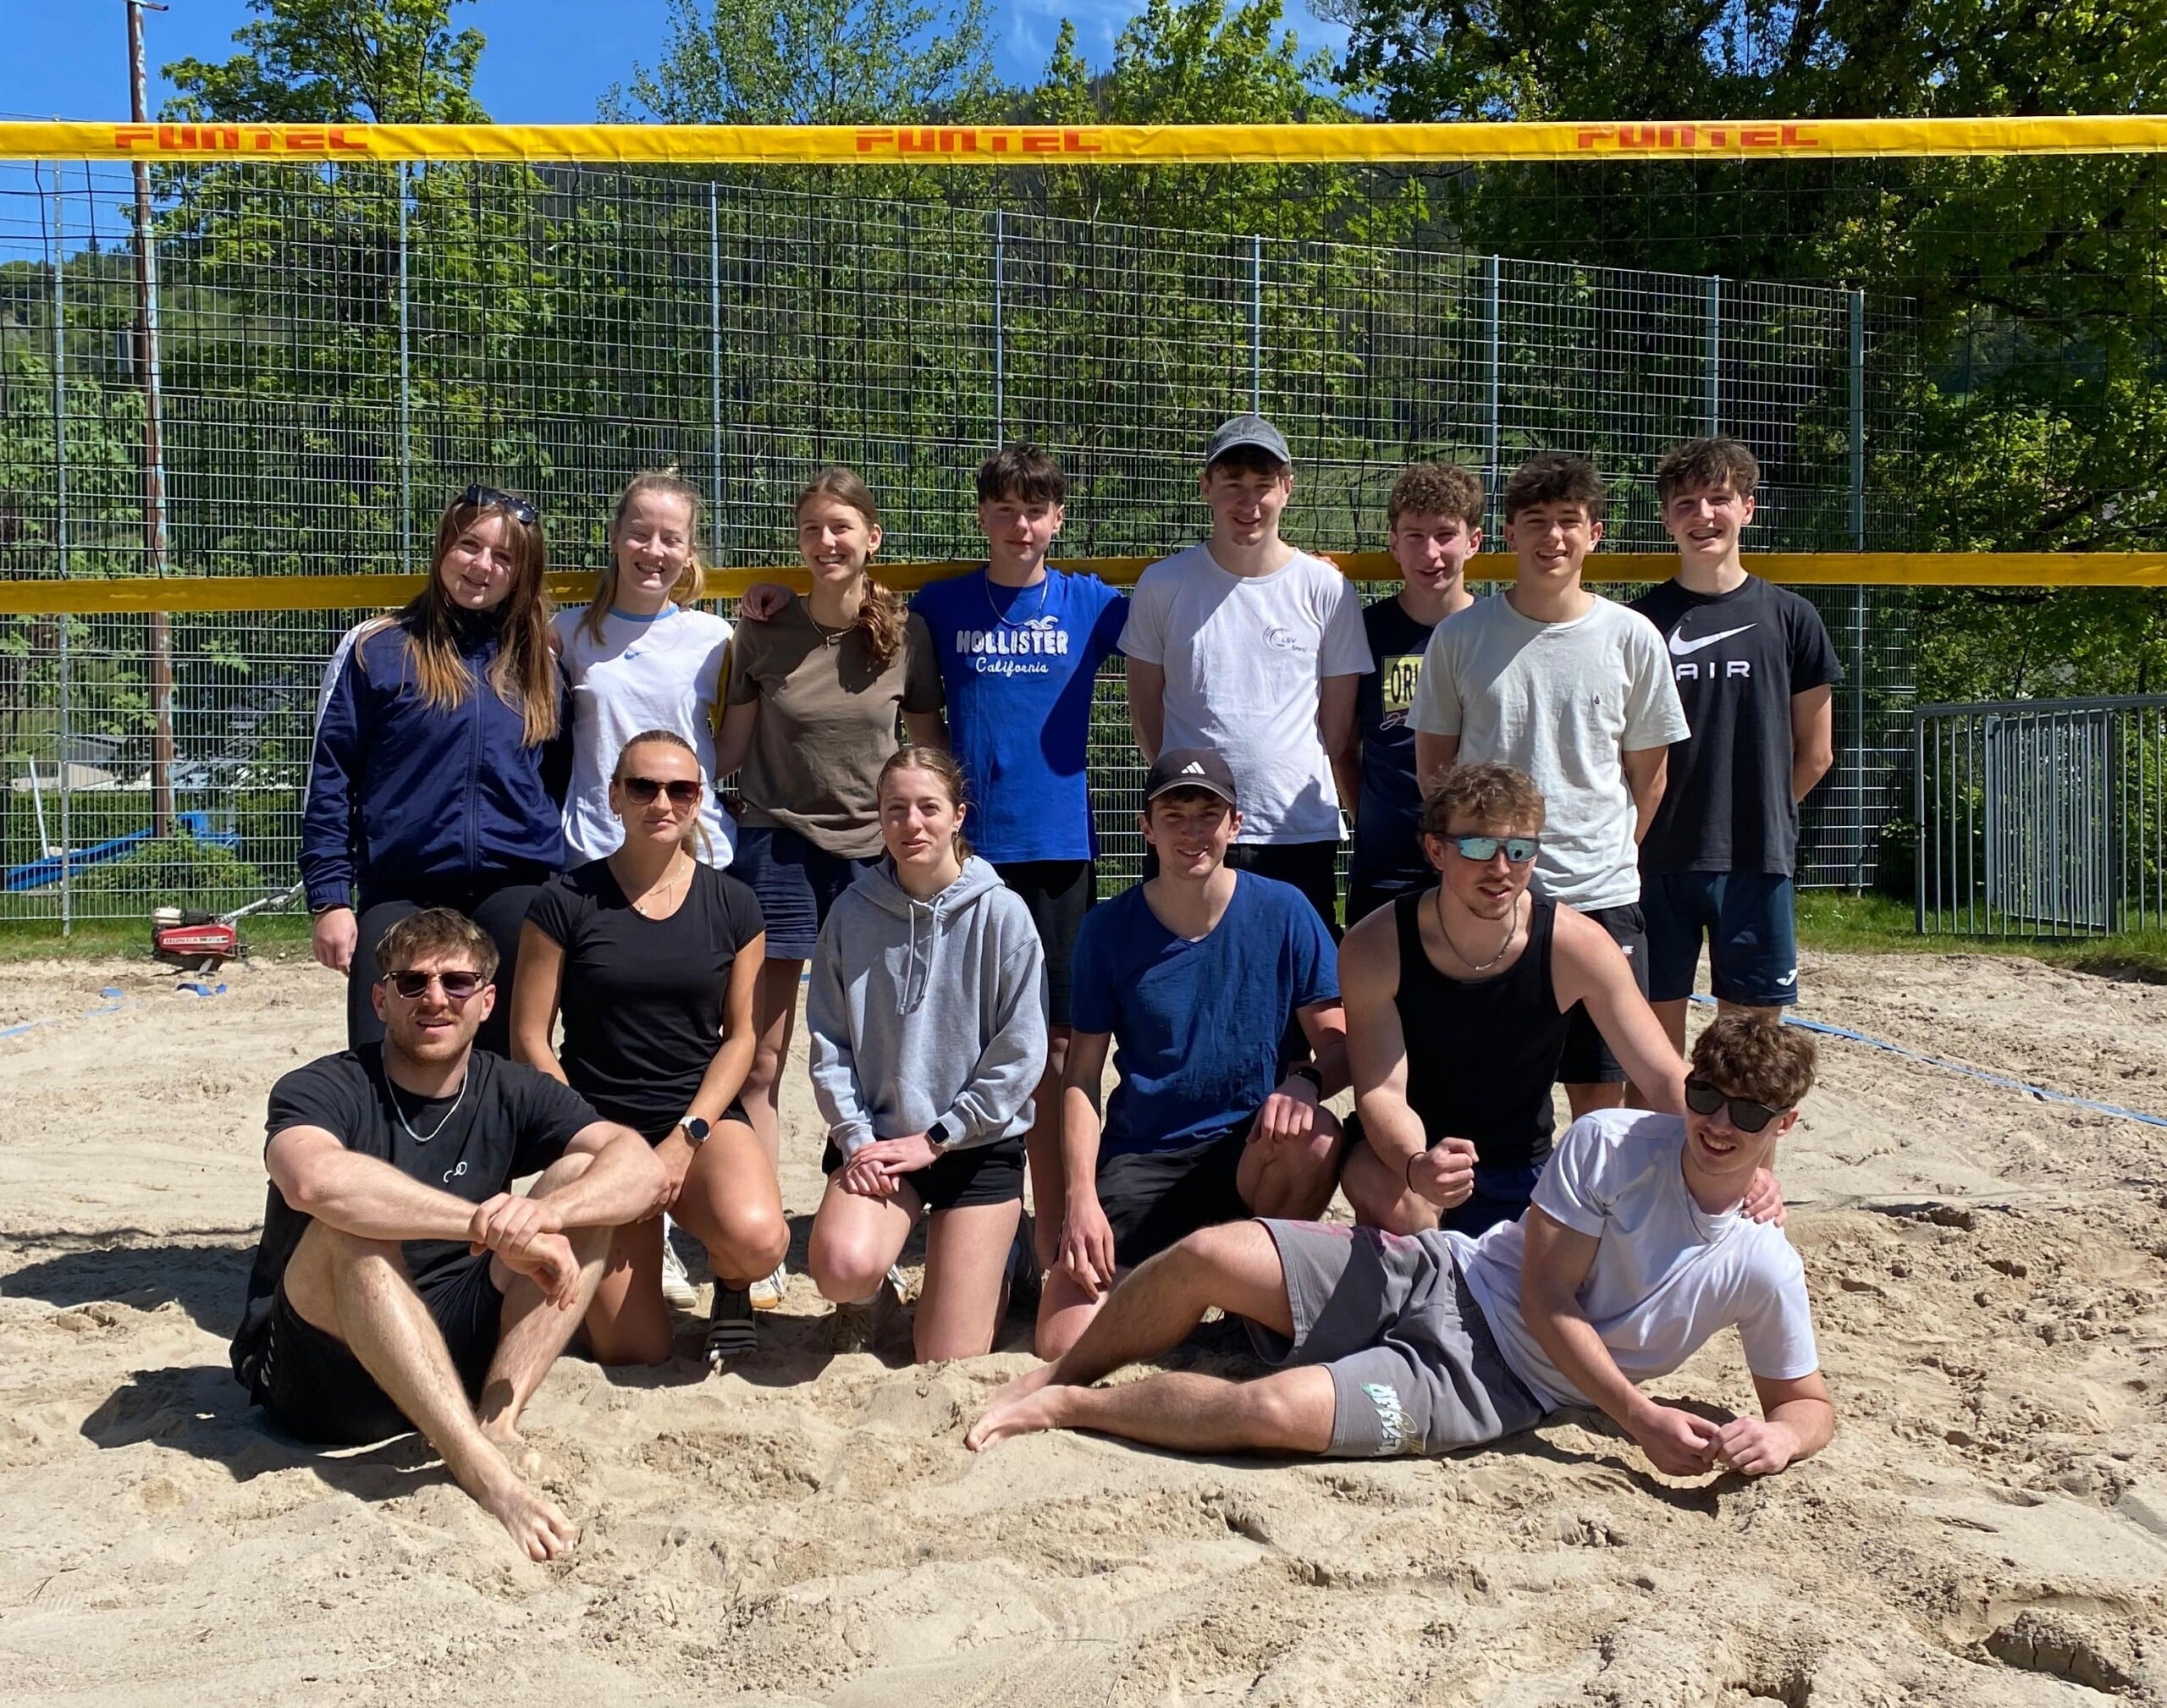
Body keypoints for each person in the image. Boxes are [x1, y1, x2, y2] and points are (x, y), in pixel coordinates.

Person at [967, 1011, 1834, 1486]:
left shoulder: (1760, 1260)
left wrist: (1781, 1440)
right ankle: (1057, 1373)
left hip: (1493, 1383)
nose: (1721, 1124)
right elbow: (1544, 1295)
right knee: (1210, 1253)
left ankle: (1071, 1409)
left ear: (1783, 1125)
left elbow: (1806, 1402)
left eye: (1750, 1114)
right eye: (1706, 1096)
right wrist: (1639, 1415)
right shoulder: (1611, 1139)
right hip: (1451, 1270)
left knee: (1268, 1414)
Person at [230, 909, 667, 1562]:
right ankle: (481, 1470)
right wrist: (483, 1224)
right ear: (380, 1000)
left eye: (457, 983)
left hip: (453, 1353)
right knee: (350, 1227)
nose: (435, 998)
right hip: (322, 1375)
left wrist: (545, 1215)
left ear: (487, 1001)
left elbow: (640, 1167)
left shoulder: (509, 1088)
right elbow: (312, 1182)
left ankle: (496, 1421)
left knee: (580, 1178)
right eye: (413, 983)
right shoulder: (324, 1085)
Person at [1338, 762, 1784, 1237]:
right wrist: (1418, 1164)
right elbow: (1380, 1090)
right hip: (1407, 1155)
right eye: (1478, 846)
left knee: (1619, 1233)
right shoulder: (1377, 946)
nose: (1501, 868)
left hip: (1522, 1164)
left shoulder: (1577, 945)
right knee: (1406, 1212)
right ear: (1436, 850)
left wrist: (1745, 1168)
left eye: (1519, 849)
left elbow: (1660, 1074)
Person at [712, 466, 946, 1309]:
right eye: (812, 528)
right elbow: (727, 752)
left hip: (874, 856)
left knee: (878, 1055)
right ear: (799, 540)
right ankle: (762, 1234)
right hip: (778, 844)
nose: (827, 541)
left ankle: (871, 1223)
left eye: (842, 526)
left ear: (871, 537)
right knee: (761, 1057)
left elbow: (923, 754)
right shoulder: (763, 632)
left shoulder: (904, 636)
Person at [1044, 747, 1348, 1360]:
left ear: (1235, 825)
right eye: (1174, 815)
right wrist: (1079, 1197)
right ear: (1146, 828)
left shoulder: (1284, 910)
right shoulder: (1107, 930)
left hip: (1247, 1150)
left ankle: (1242, 1298)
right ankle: (1209, 1284)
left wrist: (1307, 1081)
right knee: (1062, 1345)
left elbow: (1343, 1046)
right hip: (1144, 1156)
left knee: (1315, 1135)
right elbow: (1081, 1077)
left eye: (1208, 814)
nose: (1192, 832)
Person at [904, 444, 1128, 1273]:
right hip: (975, 861)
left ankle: (1057, 1226)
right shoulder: (941, 604)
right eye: (1004, 508)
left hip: (1061, 851)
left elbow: (1186, 614)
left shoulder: (1091, 603)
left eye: (1036, 510)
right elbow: (917, 708)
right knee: (969, 1043)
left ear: (1057, 519)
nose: (1020, 524)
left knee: (1063, 1050)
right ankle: (978, 1224)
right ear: (982, 516)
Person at [1409, 454, 1687, 1119]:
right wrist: (1475, 858)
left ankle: (1596, 1220)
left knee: (1600, 1096)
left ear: (1595, 534)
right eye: (1537, 521)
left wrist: (1608, 852)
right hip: (1492, 892)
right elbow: (1435, 773)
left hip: (1599, 893)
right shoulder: (1460, 637)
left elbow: (1650, 778)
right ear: (1509, 533)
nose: (1552, 537)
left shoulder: (1632, 637)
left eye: (1570, 521)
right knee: (1496, 1086)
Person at [510, 730, 787, 1369]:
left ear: (699, 802)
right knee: (635, 1349)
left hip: (696, 1118)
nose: (661, 803)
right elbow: (529, 1035)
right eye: (642, 787)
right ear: (614, 797)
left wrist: (686, 1136)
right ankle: (605, 1254)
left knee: (759, 1239)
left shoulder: (735, 904)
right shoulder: (565, 901)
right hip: (598, 1123)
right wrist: (593, 1136)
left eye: (681, 789)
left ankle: (733, 1289)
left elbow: (741, 1036)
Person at [303, 484, 569, 1058]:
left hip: (514, 880)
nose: (482, 566)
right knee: (384, 1058)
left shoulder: (543, 665)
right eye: (470, 545)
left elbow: (561, 782)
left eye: (503, 557)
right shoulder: (377, 647)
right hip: (403, 884)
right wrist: (330, 899)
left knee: (509, 1062)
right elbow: (330, 780)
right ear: (444, 546)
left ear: (522, 572)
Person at [804, 748, 1048, 1360]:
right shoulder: (850, 914)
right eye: (896, 810)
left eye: (928, 808)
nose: (912, 824)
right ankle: (870, 1299)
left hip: (974, 1144)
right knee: (840, 1266)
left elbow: (1020, 1055)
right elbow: (829, 1044)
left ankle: (1007, 1251)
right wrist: (856, 1138)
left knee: (946, 1354)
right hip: (882, 1144)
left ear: (958, 816)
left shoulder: (1003, 914)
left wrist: (940, 1136)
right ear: (879, 820)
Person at [1629, 438, 1841, 1054]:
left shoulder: (1792, 617)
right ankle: (1666, 1153)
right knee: (1652, 1056)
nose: (1703, 515)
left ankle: (1742, 1155)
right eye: (1686, 503)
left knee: (1750, 1055)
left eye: (1718, 499)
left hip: (1754, 857)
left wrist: (1763, 813)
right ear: (1667, 518)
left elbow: (1816, 753)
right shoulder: (1637, 624)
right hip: (1653, 858)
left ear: (1748, 508)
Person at [1121, 415, 1371, 936]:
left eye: (1263, 486)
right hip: (1194, 831)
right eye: (1233, 486)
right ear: (1206, 487)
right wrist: (1186, 790)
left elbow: (1338, 727)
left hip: (1296, 827)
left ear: (1287, 488)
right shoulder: (1163, 584)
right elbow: (1144, 708)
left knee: (1302, 998)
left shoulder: (1326, 589)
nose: (1248, 503)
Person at [554, 468, 736, 871]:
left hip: (696, 852)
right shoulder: (567, 632)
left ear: (690, 551)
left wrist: (676, 785)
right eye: (639, 533)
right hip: (595, 848)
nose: (654, 551)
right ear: (614, 537)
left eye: (671, 539)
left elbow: (734, 744)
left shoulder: (715, 638)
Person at [1334, 462, 1483, 925]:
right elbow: (1343, 746)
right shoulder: (1363, 630)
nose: (1431, 553)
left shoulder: (1495, 631)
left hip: (1477, 857)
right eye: (1415, 536)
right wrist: (1373, 818)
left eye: (1445, 535)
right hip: (1387, 861)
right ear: (1394, 544)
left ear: (1474, 541)